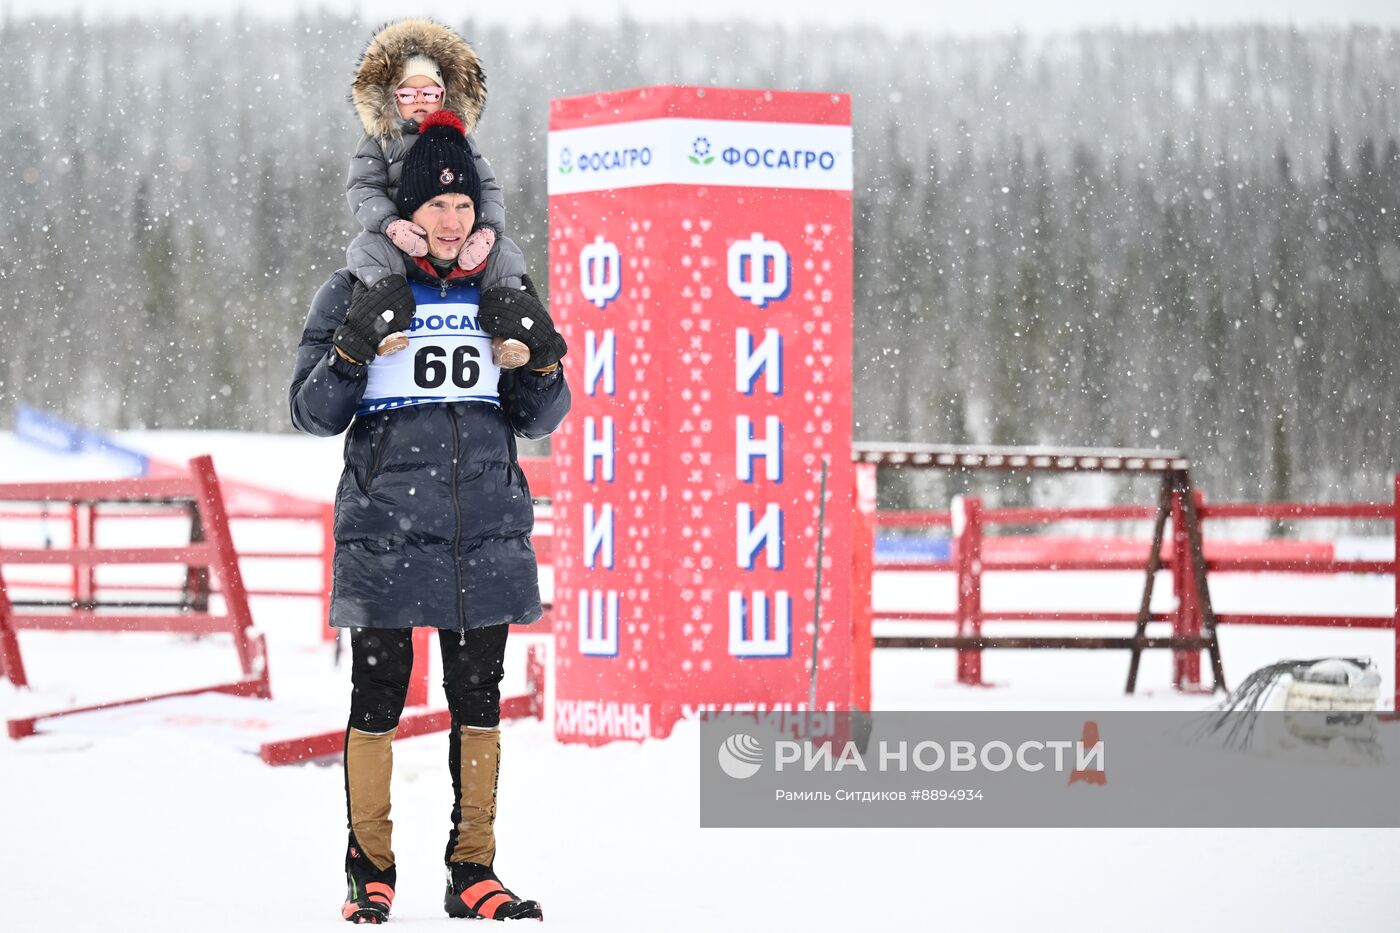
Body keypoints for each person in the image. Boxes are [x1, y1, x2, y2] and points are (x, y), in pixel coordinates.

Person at [289, 103, 569, 924]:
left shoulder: (502, 285)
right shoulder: (354, 287)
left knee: (478, 700)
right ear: (407, 213)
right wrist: (349, 349)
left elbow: (542, 417)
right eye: (434, 206)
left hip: (484, 532)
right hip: (386, 530)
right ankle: (368, 870)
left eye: (462, 206)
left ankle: (473, 869)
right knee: (378, 698)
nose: (451, 220)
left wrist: (545, 360)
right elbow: (310, 410)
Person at [346, 19, 505, 291]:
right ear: (393, 98)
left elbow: (487, 188)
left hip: (455, 239)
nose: (420, 101)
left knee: (506, 253)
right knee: (366, 249)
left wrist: (486, 231)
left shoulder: (461, 139)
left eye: (429, 93)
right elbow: (363, 189)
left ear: (443, 97)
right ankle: (387, 311)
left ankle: (511, 318)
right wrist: (391, 225)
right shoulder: (381, 141)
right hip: (402, 243)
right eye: (408, 94)